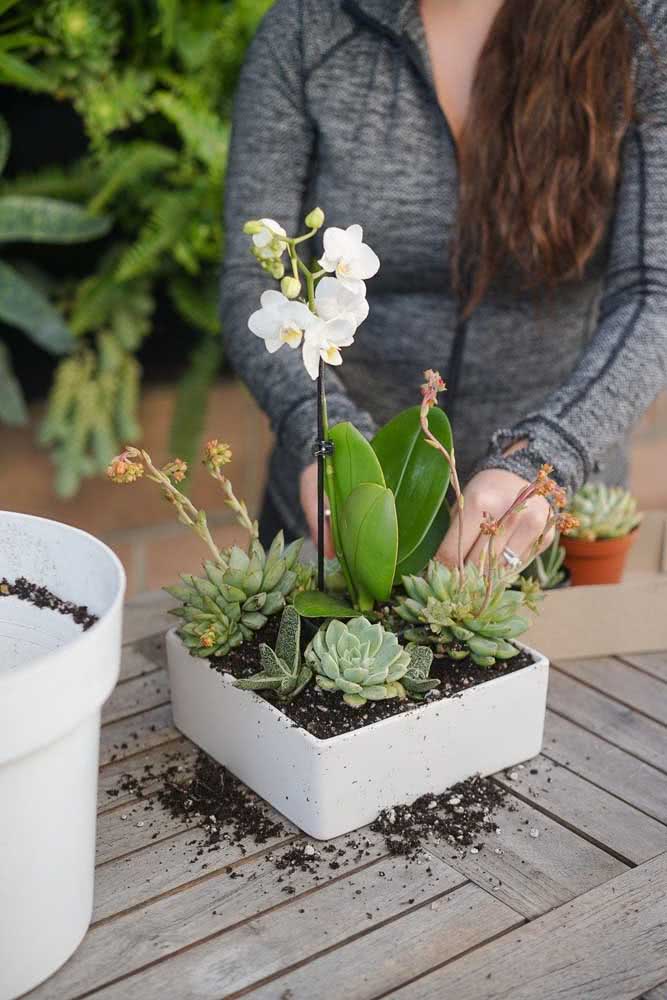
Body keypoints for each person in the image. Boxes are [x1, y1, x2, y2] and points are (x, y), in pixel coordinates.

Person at [220, 0, 666, 568]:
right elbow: (251, 278)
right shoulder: (309, 29)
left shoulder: (637, 30)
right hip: (337, 516)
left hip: (538, 525)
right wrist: (333, 443)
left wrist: (544, 460)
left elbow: (655, 292)